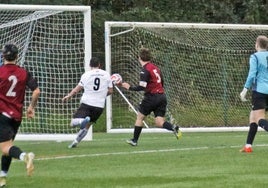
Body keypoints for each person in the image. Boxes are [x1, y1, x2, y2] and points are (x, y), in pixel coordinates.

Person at [121, 48, 182, 146]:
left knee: (140, 117)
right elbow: (162, 82)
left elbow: (142, 86)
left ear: (139, 58)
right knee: (159, 122)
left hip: (151, 97)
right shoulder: (156, 68)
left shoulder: (145, 70)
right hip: (162, 96)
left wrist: (129, 87)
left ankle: (134, 140)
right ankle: (174, 128)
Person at [0, 44, 41, 187]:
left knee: (5, 148)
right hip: (16, 116)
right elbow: (36, 91)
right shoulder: (24, 73)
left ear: (3, 56)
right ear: (17, 56)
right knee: (8, 147)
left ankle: (25, 156)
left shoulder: (0, 72)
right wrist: (31, 107)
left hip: (2, 114)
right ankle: (3, 177)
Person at [62, 57, 113, 148]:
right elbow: (110, 91)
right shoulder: (106, 74)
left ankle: (82, 120)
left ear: (90, 65)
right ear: (99, 65)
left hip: (87, 103)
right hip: (99, 106)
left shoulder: (86, 75)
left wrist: (69, 96)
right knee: (87, 126)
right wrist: (101, 95)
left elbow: (77, 90)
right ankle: (75, 142)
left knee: (73, 123)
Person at [240, 35, 268, 153]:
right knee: (253, 117)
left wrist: (245, 89)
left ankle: (248, 146)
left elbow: (252, 74)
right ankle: (248, 146)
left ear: (257, 44)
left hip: (260, 92)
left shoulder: (255, 57)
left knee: (259, 119)